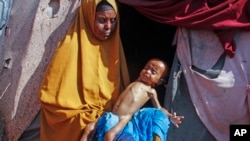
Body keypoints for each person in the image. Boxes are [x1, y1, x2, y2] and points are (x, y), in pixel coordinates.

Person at [39, 0, 130, 141]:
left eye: (113, 21)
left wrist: (107, 120)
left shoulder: (115, 52)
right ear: (88, 16)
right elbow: (52, 101)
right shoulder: (70, 48)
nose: (108, 27)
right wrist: (86, 119)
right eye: (102, 20)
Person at [81, 58, 184, 141]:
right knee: (89, 128)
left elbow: (159, 107)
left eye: (153, 72)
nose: (147, 71)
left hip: (123, 118)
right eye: (146, 67)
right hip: (112, 114)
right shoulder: (136, 81)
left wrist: (170, 116)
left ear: (160, 81)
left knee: (109, 135)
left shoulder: (151, 91)